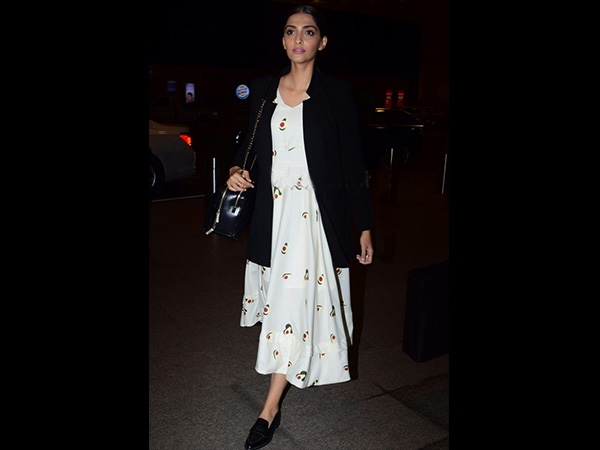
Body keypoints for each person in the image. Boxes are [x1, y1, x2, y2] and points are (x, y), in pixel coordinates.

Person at [227, 5, 374, 449]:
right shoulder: (262, 89)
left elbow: (353, 163)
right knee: (287, 301)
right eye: (291, 31)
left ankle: (268, 408)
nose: (298, 39)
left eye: (308, 32)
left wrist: (364, 225)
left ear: (321, 42)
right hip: (275, 214)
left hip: (316, 217)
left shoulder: (337, 94)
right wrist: (235, 169)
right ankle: (288, 374)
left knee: (291, 303)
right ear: (283, 40)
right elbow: (247, 144)